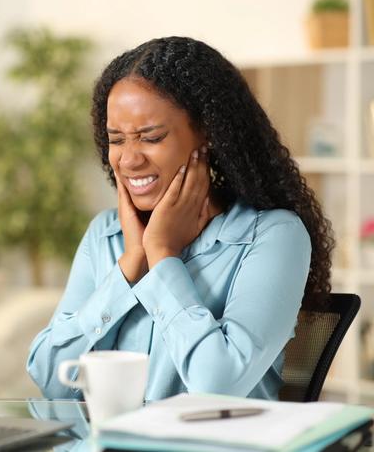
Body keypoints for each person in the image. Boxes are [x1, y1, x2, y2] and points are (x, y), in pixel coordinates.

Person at [26, 36, 334, 401]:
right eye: (116, 139)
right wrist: (130, 263)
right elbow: (51, 380)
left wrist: (161, 255)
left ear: (208, 133)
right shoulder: (105, 236)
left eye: (151, 137)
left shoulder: (272, 236)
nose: (128, 159)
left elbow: (218, 385)